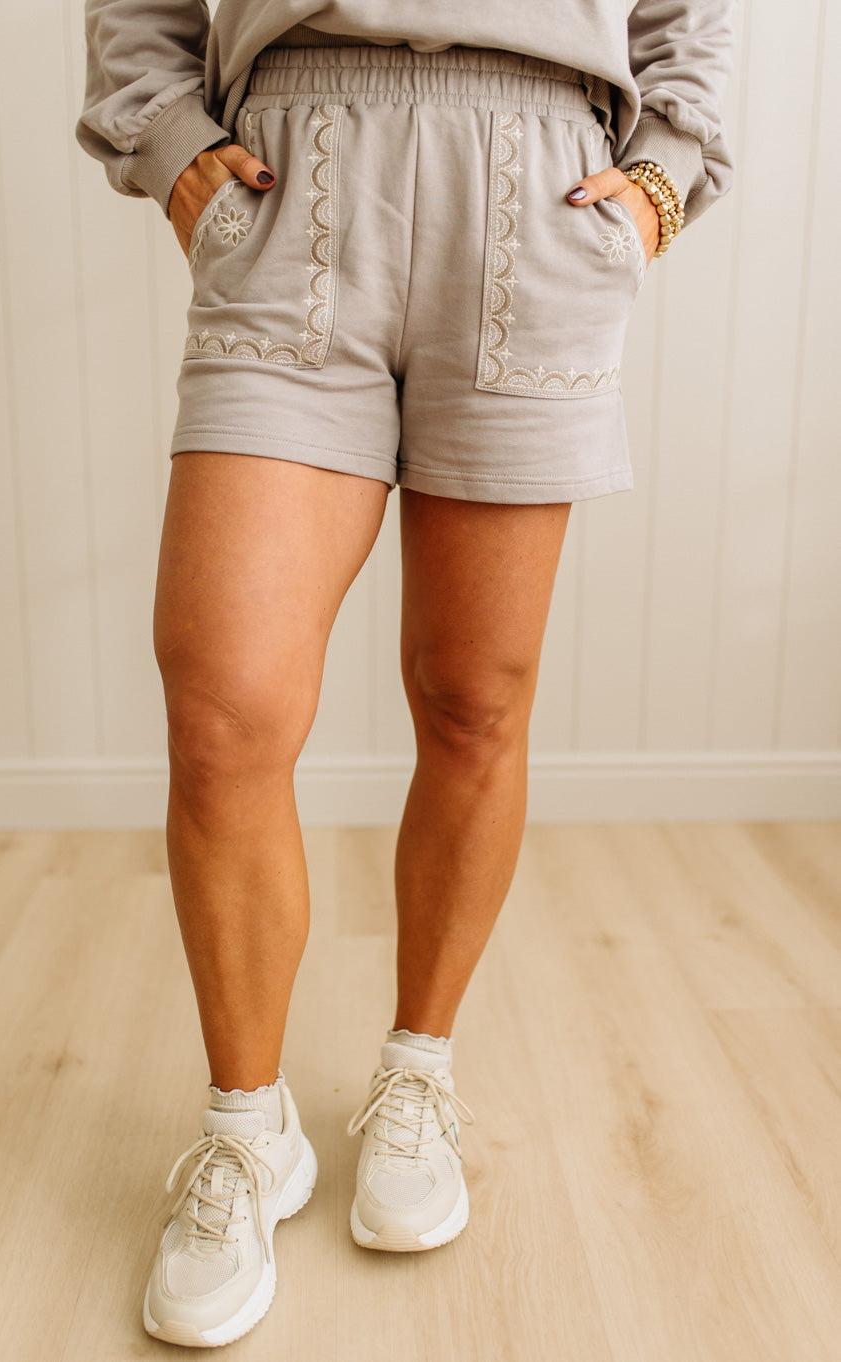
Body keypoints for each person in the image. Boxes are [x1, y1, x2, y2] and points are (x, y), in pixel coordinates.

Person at [76, 2, 733, 1346]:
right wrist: (169, 140)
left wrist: (664, 174)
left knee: (473, 696)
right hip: (290, 170)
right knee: (222, 707)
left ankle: (417, 1069)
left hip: (542, 177)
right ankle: (246, 1131)